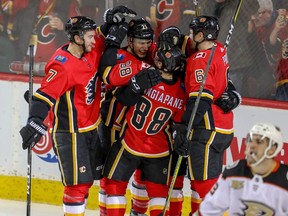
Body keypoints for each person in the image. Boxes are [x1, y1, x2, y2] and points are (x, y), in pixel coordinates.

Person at [18, 6, 137, 216]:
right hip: (70, 134)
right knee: (77, 188)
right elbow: (44, 95)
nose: (95, 39)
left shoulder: (90, 48)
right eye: (90, 37)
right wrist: (35, 120)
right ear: (78, 38)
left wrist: (110, 21)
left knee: (91, 181)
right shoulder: (63, 66)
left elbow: (101, 34)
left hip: (91, 129)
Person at [101, 45, 187, 216]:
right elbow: (178, 124)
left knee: (114, 186)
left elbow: (122, 98)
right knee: (159, 194)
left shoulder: (144, 76)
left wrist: (134, 86)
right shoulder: (181, 93)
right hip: (159, 151)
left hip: (129, 143)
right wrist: (181, 138)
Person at [172, 15, 237, 214]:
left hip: (207, 130)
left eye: (193, 32)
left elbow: (201, 99)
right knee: (212, 180)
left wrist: (183, 128)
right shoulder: (221, 50)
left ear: (201, 35)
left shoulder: (199, 61)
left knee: (203, 183)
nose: (190, 36)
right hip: (224, 128)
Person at [198, 122, 288, 215]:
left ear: (272, 149)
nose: (251, 145)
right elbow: (207, 210)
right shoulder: (233, 173)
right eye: (250, 140)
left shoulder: (285, 181)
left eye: (259, 142)